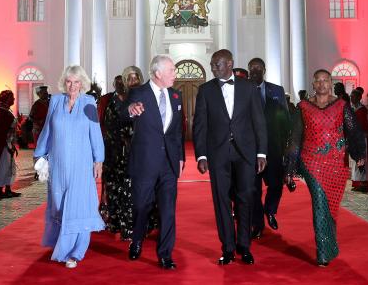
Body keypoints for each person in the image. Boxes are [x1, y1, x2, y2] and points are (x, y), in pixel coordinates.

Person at [192, 49, 267, 265]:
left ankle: (244, 246)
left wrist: (262, 152)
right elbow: (200, 125)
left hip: (245, 152)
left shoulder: (248, 87)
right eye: (212, 65)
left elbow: (258, 122)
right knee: (221, 201)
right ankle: (228, 248)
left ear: (230, 63)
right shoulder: (206, 90)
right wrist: (201, 155)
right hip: (218, 153)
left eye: (217, 64)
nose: (213, 68)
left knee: (245, 198)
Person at [286, 69, 365, 266]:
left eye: (325, 80)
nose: (321, 84)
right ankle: (323, 253)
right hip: (311, 160)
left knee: (330, 206)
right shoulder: (303, 107)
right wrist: (289, 167)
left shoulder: (341, 106)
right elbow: (295, 139)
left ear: (331, 83)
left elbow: (353, 130)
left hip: (336, 163)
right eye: (318, 81)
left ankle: (330, 246)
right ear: (313, 84)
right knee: (320, 202)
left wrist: (358, 154)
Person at [33, 65, 105, 268]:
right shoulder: (55, 101)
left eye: (76, 82)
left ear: (82, 83)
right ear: (64, 82)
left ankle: (74, 251)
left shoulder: (89, 103)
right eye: (69, 81)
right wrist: (39, 155)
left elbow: (95, 133)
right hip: (58, 164)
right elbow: (47, 129)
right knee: (59, 205)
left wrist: (98, 159)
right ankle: (61, 242)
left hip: (82, 165)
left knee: (78, 206)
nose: (72, 86)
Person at [122, 56, 185, 269]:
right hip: (145, 162)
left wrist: (181, 157)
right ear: (158, 73)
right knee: (141, 206)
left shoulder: (176, 95)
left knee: (168, 210)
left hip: (168, 163)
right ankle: (137, 240)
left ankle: (165, 253)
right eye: (171, 70)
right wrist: (130, 109)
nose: (175, 74)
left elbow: (177, 131)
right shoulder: (138, 93)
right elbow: (123, 113)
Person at [101, 67, 146, 240]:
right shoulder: (108, 101)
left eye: (135, 78)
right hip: (112, 152)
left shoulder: (136, 99)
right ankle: (114, 223)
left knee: (131, 190)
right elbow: (103, 124)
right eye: (129, 79)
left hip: (134, 153)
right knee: (113, 189)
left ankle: (131, 227)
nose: (131, 82)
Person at [247, 58, 290, 237]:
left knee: (276, 185)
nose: (255, 70)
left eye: (258, 68)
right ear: (249, 70)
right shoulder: (243, 89)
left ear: (264, 69)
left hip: (273, 147)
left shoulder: (276, 90)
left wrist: (284, 144)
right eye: (252, 68)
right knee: (254, 189)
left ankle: (270, 210)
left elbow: (285, 118)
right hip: (250, 149)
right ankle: (257, 225)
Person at [350, 87, 368, 193]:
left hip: (364, 139)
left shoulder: (363, 110)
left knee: (363, 161)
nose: (352, 98)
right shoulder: (353, 109)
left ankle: (364, 183)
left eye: (354, 96)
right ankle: (358, 182)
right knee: (357, 162)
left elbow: (365, 125)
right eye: (351, 96)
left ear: (359, 97)